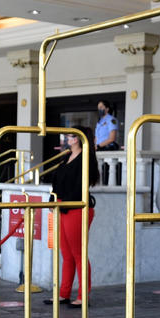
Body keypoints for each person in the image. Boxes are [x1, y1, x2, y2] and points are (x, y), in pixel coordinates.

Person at [45, 127, 100, 307]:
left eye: (69, 135)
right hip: (61, 206)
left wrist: (64, 203)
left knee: (78, 254)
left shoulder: (86, 158)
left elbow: (79, 186)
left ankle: (83, 297)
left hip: (76, 208)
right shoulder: (66, 157)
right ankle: (64, 294)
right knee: (66, 254)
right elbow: (57, 181)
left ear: (77, 138)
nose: (66, 138)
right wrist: (53, 201)